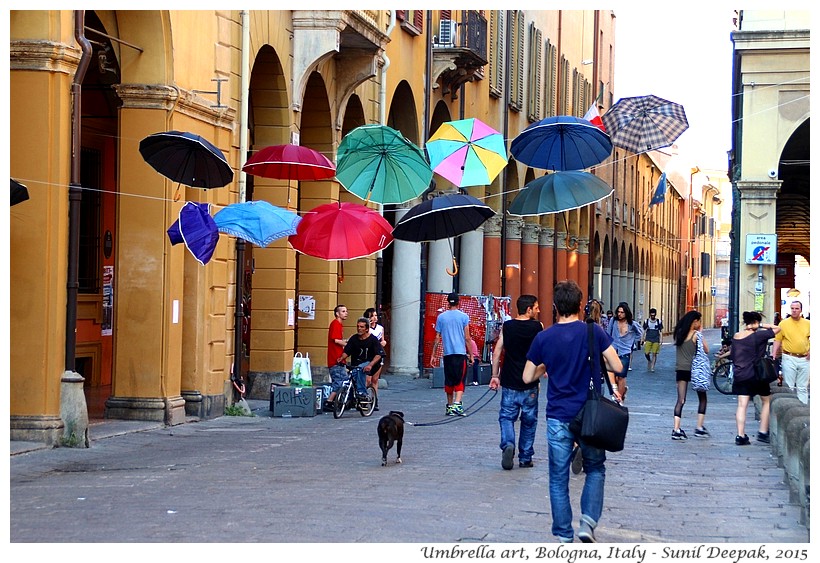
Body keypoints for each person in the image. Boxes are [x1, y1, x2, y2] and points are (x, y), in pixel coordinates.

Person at [521, 280, 622, 543]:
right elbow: (617, 364)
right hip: (590, 415)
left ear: (555, 307)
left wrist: (546, 366)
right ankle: (587, 522)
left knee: (557, 478)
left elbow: (527, 376)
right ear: (580, 305)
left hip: (557, 415)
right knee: (596, 468)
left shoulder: (543, 338)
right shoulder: (594, 332)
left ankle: (563, 534)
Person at [490, 294, 542, 470]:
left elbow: (497, 352)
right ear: (528, 310)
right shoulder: (537, 327)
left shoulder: (508, 326)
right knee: (529, 420)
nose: (538, 310)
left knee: (506, 417)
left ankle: (508, 444)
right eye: (536, 307)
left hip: (510, 380)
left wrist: (495, 375)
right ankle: (525, 457)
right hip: (530, 381)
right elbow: (542, 351)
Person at [731, 311, 781, 445]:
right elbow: (778, 328)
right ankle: (763, 432)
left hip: (740, 374)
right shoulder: (758, 335)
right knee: (766, 400)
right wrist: (760, 325)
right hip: (756, 374)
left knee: (742, 405)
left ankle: (740, 435)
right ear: (756, 322)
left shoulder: (736, 336)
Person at [431, 292, 474, 416]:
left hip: (448, 353)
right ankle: (457, 404)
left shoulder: (441, 317)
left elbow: (437, 338)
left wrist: (434, 354)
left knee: (449, 380)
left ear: (447, 302)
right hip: (460, 353)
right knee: (460, 379)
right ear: (458, 302)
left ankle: (449, 406)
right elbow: (467, 337)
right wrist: (471, 354)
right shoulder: (464, 317)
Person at [670, 310, 709, 440]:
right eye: (699, 321)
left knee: (680, 400)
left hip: (680, 369)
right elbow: (706, 350)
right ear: (695, 321)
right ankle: (699, 427)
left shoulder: (679, 333)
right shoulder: (697, 335)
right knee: (702, 397)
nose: (700, 323)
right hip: (694, 370)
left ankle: (676, 429)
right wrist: (701, 334)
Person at [337, 317, 385, 401]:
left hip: (370, 362)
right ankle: (352, 399)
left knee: (360, 369)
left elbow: (379, 354)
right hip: (356, 362)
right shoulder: (354, 339)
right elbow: (347, 351)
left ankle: (362, 393)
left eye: (362, 327)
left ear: (367, 329)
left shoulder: (373, 340)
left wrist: (370, 365)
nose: (359, 328)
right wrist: (341, 358)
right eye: (358, 326)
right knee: (353, 375)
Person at [771, 301, 810, 404]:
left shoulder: (808, 324)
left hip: (805, 358)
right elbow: (778, 339)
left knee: (802, 387)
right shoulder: (783, 323)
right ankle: (790, 407)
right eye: (792, 308)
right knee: (789, 386)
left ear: (801, 310)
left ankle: (802, 408)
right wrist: (773, 354)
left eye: (796, 308)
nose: (794, 310)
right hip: (789, 356)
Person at [606, 302, 643, 400]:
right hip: (613, 351)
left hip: (624, 352)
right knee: (614, 377)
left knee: (621, 376)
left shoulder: (632, 324)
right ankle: (622, 391)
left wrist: (632, 343)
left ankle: (620, 399)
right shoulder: (613, 321)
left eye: (622, 312)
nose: (619, 314)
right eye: (618, 312)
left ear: (626, 313)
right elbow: (608, 334)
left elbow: (640, 334)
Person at [324, 304, 349, 410]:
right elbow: (336, 340)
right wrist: (347, 345)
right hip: (336, 359)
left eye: (346, 311)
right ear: (337, 314)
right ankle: (330, 401)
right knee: (340, 381)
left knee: (341, 381)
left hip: (338, 359)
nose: (346, 313)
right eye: (343, 311)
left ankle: (338, 401)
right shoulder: (336, 324)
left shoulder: (339, 325)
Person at [364, 307, 387, 410]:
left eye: (375, 315)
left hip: (378, 354)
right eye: (372, 316)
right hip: (368, 355)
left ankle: (374, 400)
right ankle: (363, 398)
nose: (374, 318)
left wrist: (383, 343)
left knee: (375, 379)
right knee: (367, 380)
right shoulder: (366, 328)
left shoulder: (380, 328)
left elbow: (383, 340)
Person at [641, 308, 664, 372]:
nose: (653, 316)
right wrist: (642, 338)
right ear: (650, 315)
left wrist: (661, 339)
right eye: (651, 315)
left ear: (655, 314)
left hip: (656, 339)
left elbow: (661, 331)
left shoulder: (658, 321)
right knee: (646, 353)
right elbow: (644, 330)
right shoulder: (647, 321)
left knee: (654, 353)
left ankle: (652, 367)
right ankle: (649, 360)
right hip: (648, 338)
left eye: (654, 315)